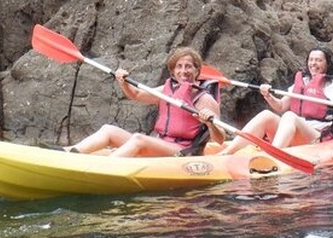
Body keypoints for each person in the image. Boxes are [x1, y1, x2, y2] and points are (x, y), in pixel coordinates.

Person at [57, 47, 225, 157]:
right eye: (179, 67)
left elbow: (220, 139)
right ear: (173, 72)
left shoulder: (204, 99)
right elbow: (136, 95)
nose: (183, 71)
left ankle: (104, 167)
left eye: (188, 66)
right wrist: (123, 82)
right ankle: (66, 153)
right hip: (162, 143)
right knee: (109, 130)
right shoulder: (167, 90)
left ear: (197, 70)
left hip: (183, 151)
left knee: (139, 139)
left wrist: (211, 124)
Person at [219, 46, 333, 155]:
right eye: (311, 60)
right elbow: (281, 106)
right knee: (266, 115)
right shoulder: (301, 82)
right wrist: (268, 95)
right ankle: (227, 153)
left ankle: (273, 155)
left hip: (317, 136)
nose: (313, 63)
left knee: (289, 117)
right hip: (296, 133)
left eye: (318, 60)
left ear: (327, 64)